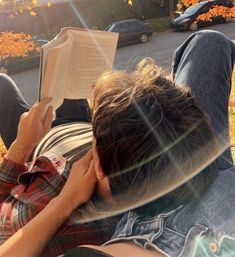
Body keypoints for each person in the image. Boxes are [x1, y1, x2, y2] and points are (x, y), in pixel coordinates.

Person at [0, 30, 234, 257]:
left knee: (2, 84)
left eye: (96, 137)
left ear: (100, 168)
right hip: (81, 132)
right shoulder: (133, 177)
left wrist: (21, 148)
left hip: (39, 149)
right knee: (210, 42)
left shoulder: (79, 231)